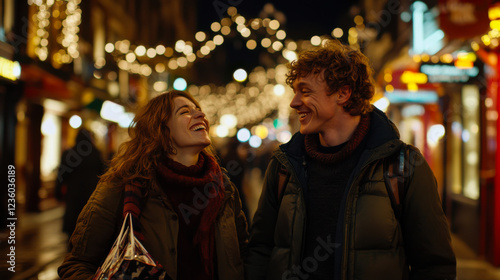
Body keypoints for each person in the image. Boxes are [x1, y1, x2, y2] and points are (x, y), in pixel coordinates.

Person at [245, 40, 456, 280]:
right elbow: (260, 251)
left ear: (343, 93)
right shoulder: (284, 165)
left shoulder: (402, 165)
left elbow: (434, 265)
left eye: (305, 91)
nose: (294, 103)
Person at [58, 90, 248, 280]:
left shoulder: (223, 188)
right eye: (185, 112)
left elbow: (245, 255)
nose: (201, 115)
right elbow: (77, 264)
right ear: (161, 129)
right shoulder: (123, 184)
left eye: (198, 110)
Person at [55, 128, 105, 238]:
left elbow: (62, 174)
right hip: (91, 192)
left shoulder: (70, 153)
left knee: (73, 220)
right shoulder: (96, 153)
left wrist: (58, 192)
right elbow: (102, 173)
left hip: (74, 192)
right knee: (88, 221)